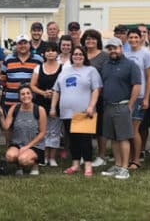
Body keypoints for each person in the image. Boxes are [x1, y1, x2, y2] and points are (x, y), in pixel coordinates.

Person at [51, 48, 102, 177]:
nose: (77, 56)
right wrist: (53, 107)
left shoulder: (91, 70)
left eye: (80, 54)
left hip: (84, 112)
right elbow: (56, 90)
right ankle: (75, 165)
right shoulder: (64, 71)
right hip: (66, 112)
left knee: (84, 140)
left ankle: (88, 165)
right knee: (73, 140)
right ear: (71, 56)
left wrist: (91, 106)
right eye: (75, 54)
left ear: (84, 56)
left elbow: (96, 89)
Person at [98, 37, 141, 180]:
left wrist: (130, 104)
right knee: (113, 138)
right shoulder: (105, 65)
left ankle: (124, 168)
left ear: (121, 48)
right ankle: (117, 165)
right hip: (108, 106)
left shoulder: (130, 65)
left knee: (123, 138)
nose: (112, 51)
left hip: (123, 105)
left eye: (115, 48)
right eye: (110, 48)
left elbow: (136, 85)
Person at [124, 28, 150, 170]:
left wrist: (147, 97)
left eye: (136, 37)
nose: (133, 40)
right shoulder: (125, 53)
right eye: (131, 37)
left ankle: (136, 159)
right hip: (125, 95)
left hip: (140, 95)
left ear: (141, 38)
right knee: (126, 129)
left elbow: (149, 78)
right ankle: (127, 157)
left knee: (134, 130)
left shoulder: (146, 54)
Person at [0, 86, 46, 176]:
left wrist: (27, 147)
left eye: (28, 93)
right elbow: (6, 127)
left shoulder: (39, 110)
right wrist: (1, 115)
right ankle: (19, 167)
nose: (26, 96)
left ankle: (35, 165)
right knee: (9, 156)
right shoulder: (14, 108)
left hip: (34, 145)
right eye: (23, 94)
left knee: (23, 159)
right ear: (19, 97)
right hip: (17, 143)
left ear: (32, 95)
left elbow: (42, 132)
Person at [29, 43, 63, 167]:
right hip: (41, 103)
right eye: (47, 51)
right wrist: (43, 93)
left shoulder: (63, 68)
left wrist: (55, 93)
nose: (50, 53)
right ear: (44, 54)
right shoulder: (38, 68)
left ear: (57, 53)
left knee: (54, 131)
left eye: (53, 51)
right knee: (42, 131)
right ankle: (42, 156)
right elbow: (32, 85)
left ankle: (52, 157)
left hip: (57, 104)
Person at [2, 34, 43, 113]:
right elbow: (3, 77)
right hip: (11, 101)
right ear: (16, 45)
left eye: (25, 43)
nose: (22, 45)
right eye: (20, 43)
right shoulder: (8, 59)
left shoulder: (38, 60)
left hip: (31, 102)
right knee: (10, 124)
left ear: (29, 44)